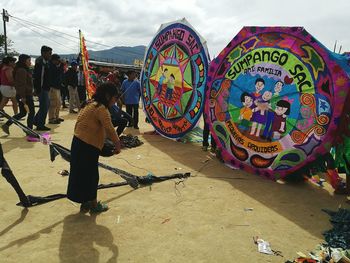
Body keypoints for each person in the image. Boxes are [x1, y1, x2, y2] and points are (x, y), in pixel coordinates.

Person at [67, 82, 121, 213]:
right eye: (114, 99)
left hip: (77, 142)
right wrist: (117, 143)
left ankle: (84, 202)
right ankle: (94, 204)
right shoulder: (101, 108)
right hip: (87, 146)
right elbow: (109, 128)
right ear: (108, 96)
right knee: (91, 176)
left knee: (80, 174)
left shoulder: (89, 103)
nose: (114, 102)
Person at [1, 54, 35, 135]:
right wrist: (23, 96)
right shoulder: (22, 70)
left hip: (23, 94)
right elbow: (21, 84)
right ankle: (29, 130)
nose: (30, 62)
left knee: (23, 113)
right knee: (31, 112)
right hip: (24, 95)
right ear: (24, 61)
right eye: (29, 60)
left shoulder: (23, 69)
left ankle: (7, 125)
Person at [33, 45, 52, 131]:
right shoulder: (40, 62)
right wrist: (38, 89)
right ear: (43, 53)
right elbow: (39, 77)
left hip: (45, 87)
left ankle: (36, 120)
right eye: (49, 53)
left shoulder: (45, 61)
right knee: (44, 106)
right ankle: (40, 124)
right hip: (42, 88)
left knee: (45, 105)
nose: (50, 55)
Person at [48, 54, 64, 124]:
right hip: (52, 87)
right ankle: (51, 118)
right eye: (58, 60)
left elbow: (60, 73)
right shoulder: (50, 66)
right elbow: (57, 73)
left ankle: (56, 117)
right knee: (53, 103)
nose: (59, 61)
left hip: (57, 87)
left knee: (59, 103)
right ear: (54, 60)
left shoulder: (55, 66)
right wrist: (62, 65)